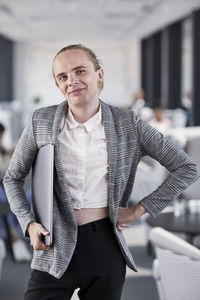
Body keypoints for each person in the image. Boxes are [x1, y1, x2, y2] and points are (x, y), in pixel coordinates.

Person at [3, 44, 200, 300]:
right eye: (62, 77)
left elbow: (186, 167)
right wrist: (28, 224)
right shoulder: (41, 121)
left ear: (99, 74)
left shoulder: (128, 123)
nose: (72, 81)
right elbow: (13, 177)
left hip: (104, 244)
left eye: (80, 71)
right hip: (54, 243)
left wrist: (140, 209)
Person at [0, 122, 31, 262]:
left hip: (6, 189)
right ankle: (14, 237)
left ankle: (18, 236)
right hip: (2, 191)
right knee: (5, 199)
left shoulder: (4, 150)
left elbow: (9, 171)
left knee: (28, 196)